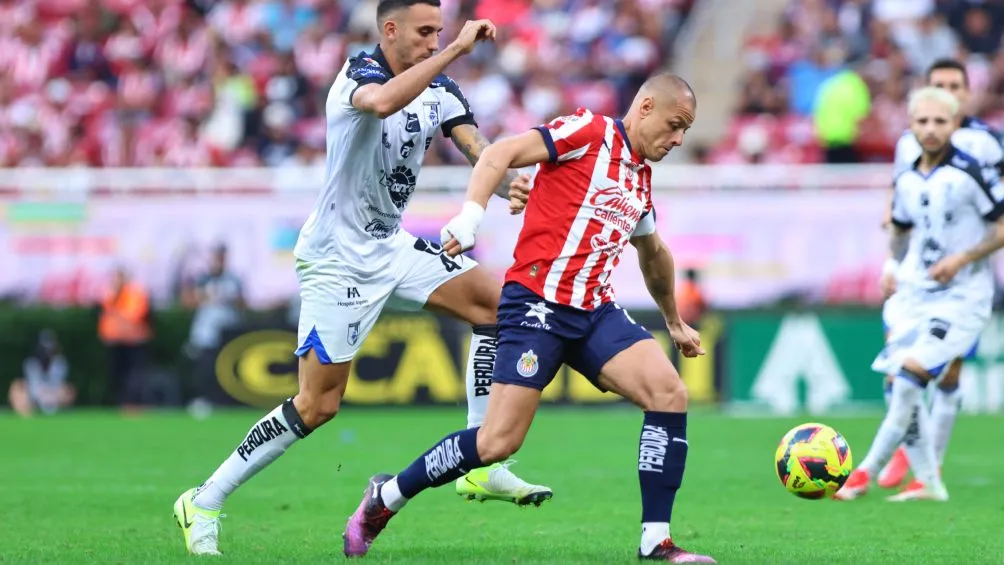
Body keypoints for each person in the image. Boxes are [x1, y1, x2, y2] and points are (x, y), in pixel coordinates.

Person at [172, 1, 549, 555]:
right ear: (390, 29)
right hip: (337, 259)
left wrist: (506, 182)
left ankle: (479, 462)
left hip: (390, 247)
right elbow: (383, 102)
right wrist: (455, 50)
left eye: (439, 32)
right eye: (424, 32)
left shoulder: (441, 89)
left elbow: (478, 150)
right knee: (316, 406)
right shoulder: (359, 75)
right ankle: (203, 500)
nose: (433, 41)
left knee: (499, 307)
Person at [342, 74, 716, 563]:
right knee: (496, 442)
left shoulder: (639, 177)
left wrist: (673, 320)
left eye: (686, 130)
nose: (679, 139)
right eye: (675, 124)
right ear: (645, 107)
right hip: (536, 305)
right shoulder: (588, 131)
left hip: (594, 311)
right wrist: (471, 216)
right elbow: (499, 154)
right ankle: (386, 496)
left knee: (669, 393)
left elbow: (653, 254)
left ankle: (656, 540)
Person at [836, 86, 1004, 502]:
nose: (930, 129)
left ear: (954, 125)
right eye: (922, 121)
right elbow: (900, 229)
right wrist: (891, 266)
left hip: (962, 297)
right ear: (910, 125)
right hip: (915, 293)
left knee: (911, 376)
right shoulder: (908, 177)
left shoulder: (970, 173)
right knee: (897, 381)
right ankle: (929, 482)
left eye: (940, 121)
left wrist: (962, 258)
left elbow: (1001, 227)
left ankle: (863, 473)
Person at [98, 267, 152, 410]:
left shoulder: (134, 294)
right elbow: (104, 317)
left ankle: (135, 403)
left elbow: (133, 315)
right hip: (115, 342)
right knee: (117, 374)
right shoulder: (110, 295)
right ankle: (121, 402)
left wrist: (116, 312)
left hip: (133, 342)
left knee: (134, 374)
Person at [8, 330, 75, 416]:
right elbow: (33, 384)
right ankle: (26, 413)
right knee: (17, 385)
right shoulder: (31, 363)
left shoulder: (59, 363)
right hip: (35, 395)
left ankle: (61, 411)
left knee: (68, 389)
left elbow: (58, 382)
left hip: (54, 394)